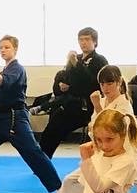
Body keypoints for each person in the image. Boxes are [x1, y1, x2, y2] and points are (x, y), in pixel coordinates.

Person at [0, 35, 62, 193]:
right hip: (0, 118)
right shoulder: (6, 69)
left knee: (32, 151)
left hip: (15, 118)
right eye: (1, 48)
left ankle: (57, 186)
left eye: (7, 47)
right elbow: (3, 89)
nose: (3, 50)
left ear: (15, 49)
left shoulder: (17, 68)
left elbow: (2, 82)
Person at [39, 27, 108, 157]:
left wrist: (76, 64)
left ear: (95, 42)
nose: (83, 43)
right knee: (51, 129)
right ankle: (43, 162)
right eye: (81, 40)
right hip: (70, 103)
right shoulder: (75, 59)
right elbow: (64, 77)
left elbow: (91, 83)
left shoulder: (100, 60)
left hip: (88, 106)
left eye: (87, 39)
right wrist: (60, 85)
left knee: (60, 123)